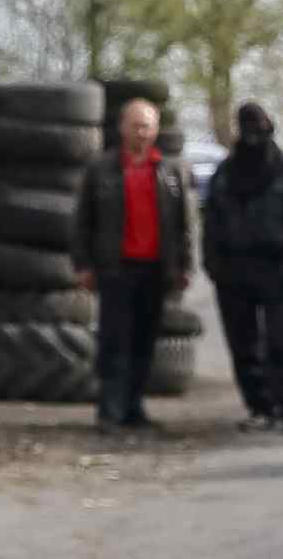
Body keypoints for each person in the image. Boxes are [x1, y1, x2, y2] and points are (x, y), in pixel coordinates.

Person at [72, 96, 197, 432]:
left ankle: (133, 408)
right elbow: (83, 221)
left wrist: (185, 267)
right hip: (116, 269)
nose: (142, 132)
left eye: (148, 125)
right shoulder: (101, 169)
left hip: (156, 270)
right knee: (114, 341)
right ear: (122, 128)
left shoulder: (171, 171)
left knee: (144, 342)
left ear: (156, 129)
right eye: (136, 125)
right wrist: (83, 265)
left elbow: (185, 224)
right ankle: (109, 411)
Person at [205, 101, 283, 431]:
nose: (255, 134)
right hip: (233, 268)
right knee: (243, 344)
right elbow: (211, 222)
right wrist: (213, 266)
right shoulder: (226, 172)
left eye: (260, 126)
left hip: (275, 266)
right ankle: (260, 407)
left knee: (281, 341)